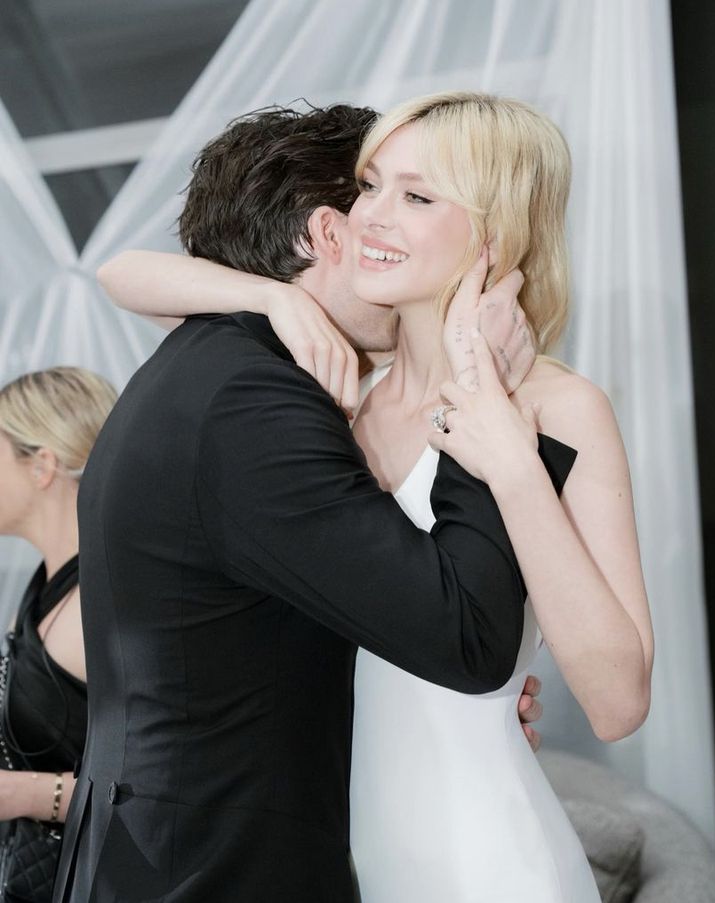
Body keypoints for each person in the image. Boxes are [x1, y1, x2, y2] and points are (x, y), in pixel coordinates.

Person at [101, 92, 653, 902]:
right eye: (369, 185)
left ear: (494, 235)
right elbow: (124, 275)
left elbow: (617, 702)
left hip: (487, 866)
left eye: (416, 196)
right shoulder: (344, 398)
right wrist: (272, 296)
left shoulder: (558, 408)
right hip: (345, 867)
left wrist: (506, 454)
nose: (367, 217)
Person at [0, 367, 116, 902]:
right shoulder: (49, 584)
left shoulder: (101, 600)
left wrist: (25, 794)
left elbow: (168, 784)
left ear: (42, 465)